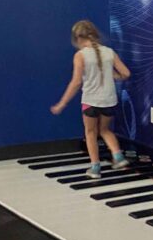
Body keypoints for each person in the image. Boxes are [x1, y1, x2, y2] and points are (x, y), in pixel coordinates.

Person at [51, 20, 131, 179]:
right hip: (109, 100)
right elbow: (126, 74)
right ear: (95, 34)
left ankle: (95, 168)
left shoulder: (80, 56)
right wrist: (112, 75)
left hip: (90, 101)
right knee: (105, 130)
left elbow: (76, 82)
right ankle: (118, 156)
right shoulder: (109, 52)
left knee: (90, 133)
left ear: (78, 39)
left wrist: (62, 103)